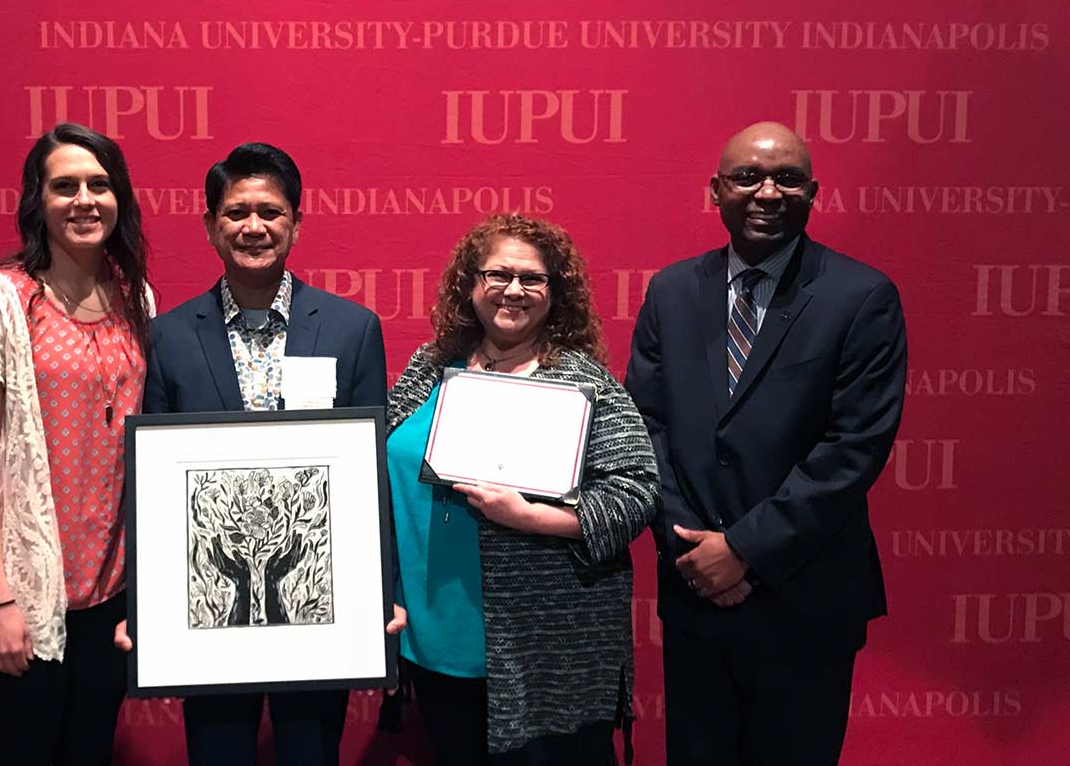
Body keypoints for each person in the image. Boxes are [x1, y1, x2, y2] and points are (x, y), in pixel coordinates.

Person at [624, 121, 909, 766]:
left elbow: (852, 449)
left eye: (787, 178)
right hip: (696, 592)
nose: (767, 192)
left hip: (804, 601)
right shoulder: (671, 291)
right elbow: (645, 430)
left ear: (814, 193)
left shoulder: (862, 296)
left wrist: (745, 550)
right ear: (716, 190)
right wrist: (693, 548)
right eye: (748, 177)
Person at [139, 142, 404, 765]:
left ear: (295, 222)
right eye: (235, 213)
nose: (253, 227)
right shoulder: (170, 338)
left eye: (270, 211)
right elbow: (153, 489)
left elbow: (371, 475)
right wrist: (146, 603)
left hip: (321, 594)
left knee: (312, 753)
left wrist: (382, 588)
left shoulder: (351, 329)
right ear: (210, 226)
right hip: (209, 600)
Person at [384, 214, 658, 765]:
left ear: (556, 292)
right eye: (498, 275)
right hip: (434, 629)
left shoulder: (582, 382)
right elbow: (378, 466)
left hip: (544, 644)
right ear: (471, 283)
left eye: (532, 279)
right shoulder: (430, 366)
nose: (513, 290)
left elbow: (638, 490)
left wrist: (531, 517)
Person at [0, 122, 153, 765]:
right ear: (38, 201)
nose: (84, 200)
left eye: (100, 184)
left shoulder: (135, 298)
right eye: (65, 186)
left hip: (109, 597)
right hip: (25, 596)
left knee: (90, 752)